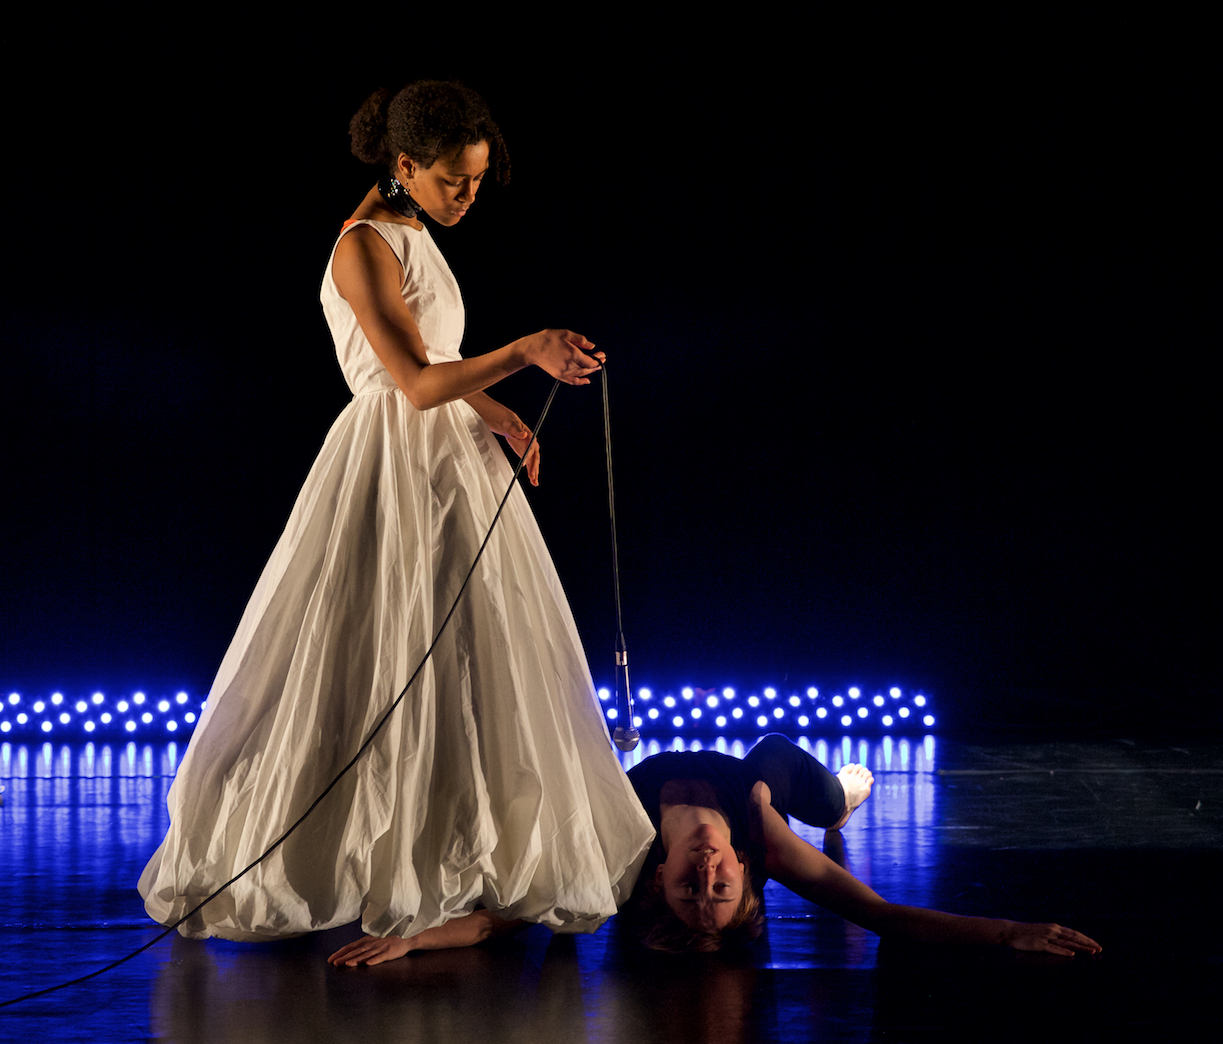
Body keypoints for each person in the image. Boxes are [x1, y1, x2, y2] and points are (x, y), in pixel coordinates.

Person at [138, 80, 654, 959]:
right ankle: (359, 856)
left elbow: (433, 358)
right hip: (391, 458)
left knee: (468, 656)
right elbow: (409, 384)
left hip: (449, 457)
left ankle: (457, 853)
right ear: (405, 165)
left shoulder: (414, 231)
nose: (469, 195)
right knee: (378, 649)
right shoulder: (361, 245)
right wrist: (525, 350)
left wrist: (496, 412)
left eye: (478, 180)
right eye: (455, 179)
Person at [626, 734, 1102, 956]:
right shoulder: (762, 839)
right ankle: (842, 802)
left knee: (768, 760)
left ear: (660, 875)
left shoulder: (623, 835)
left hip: (739, 784)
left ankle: (838, 796)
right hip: (766, 779)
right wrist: (1007, 932)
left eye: (690, 889)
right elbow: (881, 916)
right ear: (744, 867)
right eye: (721, 889)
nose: (707, 871)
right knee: (777, 759)